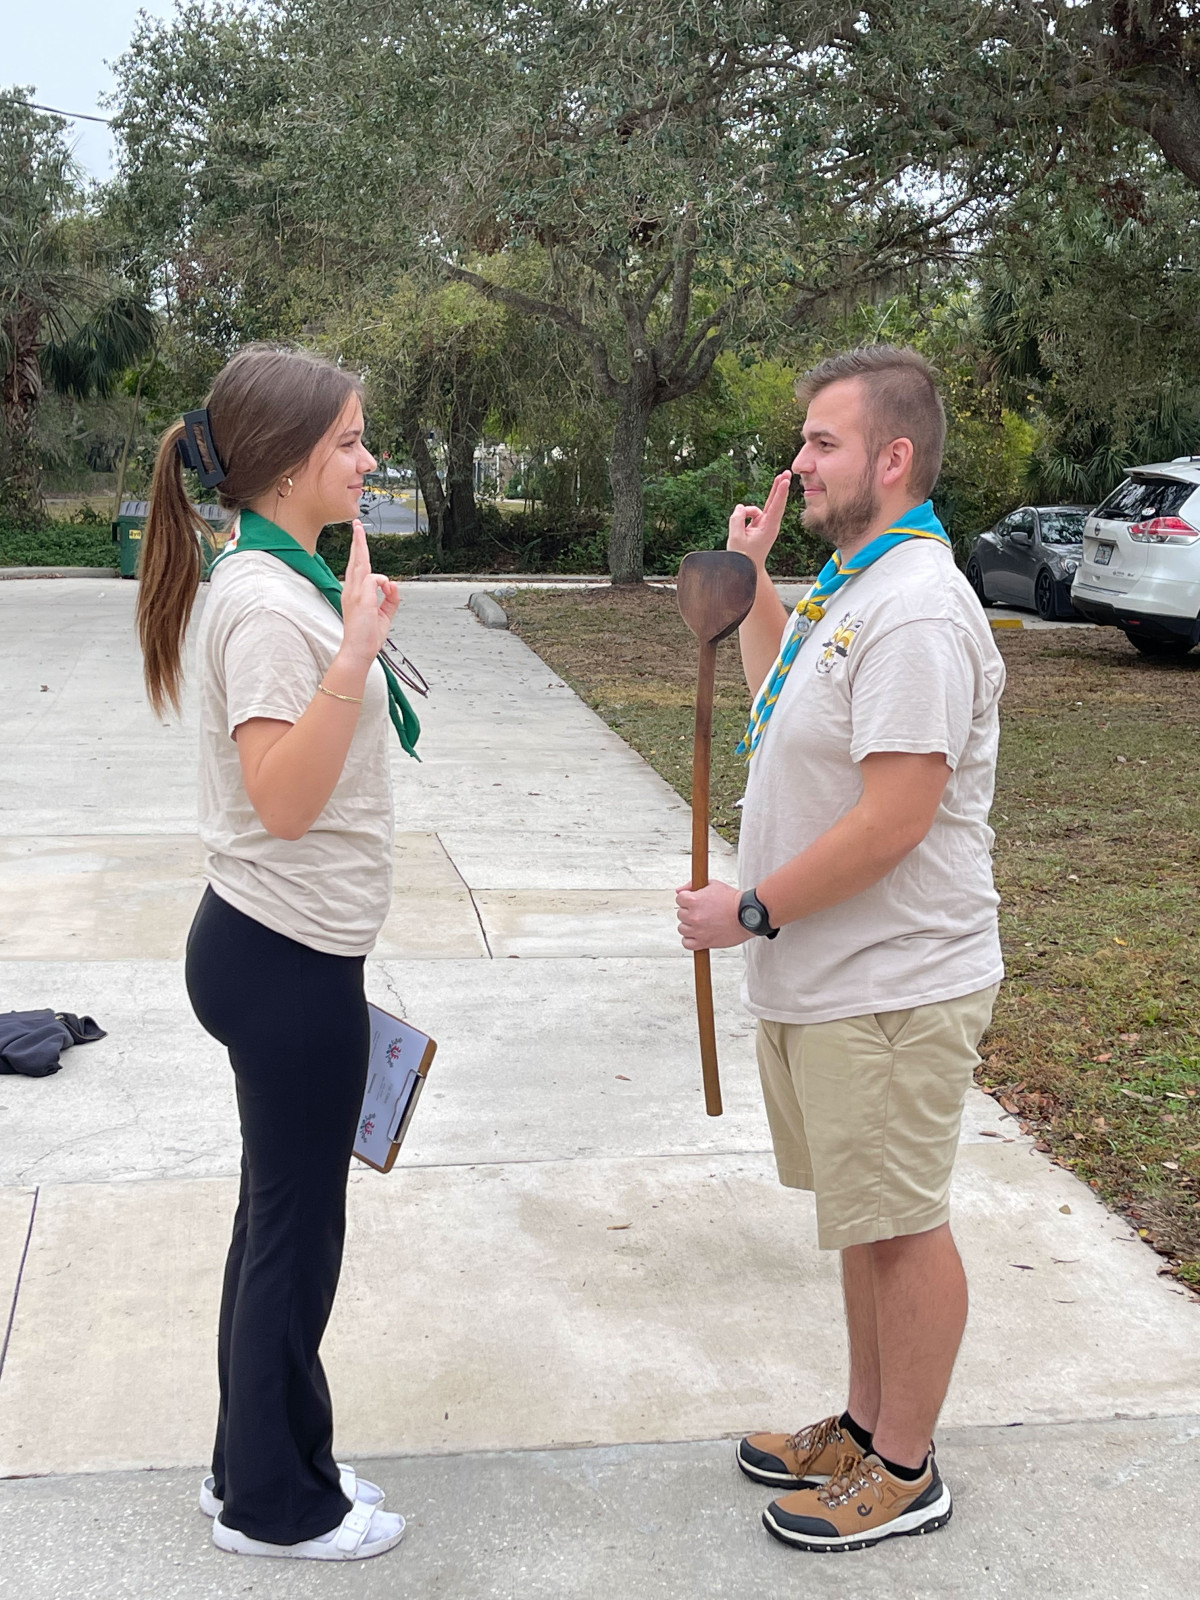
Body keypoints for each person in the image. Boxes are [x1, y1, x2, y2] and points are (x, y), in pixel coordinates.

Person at [676, 345, 1005, 1553]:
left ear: (893, 457)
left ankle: (905, 1468)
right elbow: (783, 699)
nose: (799, 462)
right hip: (835, 981)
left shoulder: (915, 607)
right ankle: (865, 1425)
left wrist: (754, 908)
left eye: (823, 442)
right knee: (866, 1216)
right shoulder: (851, 586)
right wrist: (758, 575)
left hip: (893, 982)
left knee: (902, 1221)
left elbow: (895, 818)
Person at [136, 344, 417, 1561]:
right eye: (350, 440)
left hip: (281, 946)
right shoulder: (263, 604)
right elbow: (285, 797)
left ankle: (253, 1460)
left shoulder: (275, 578)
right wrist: (352, 652)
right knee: (295, 1238)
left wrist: (349, 631)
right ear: (291, 460)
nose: (367, 459)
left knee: (274, 1225)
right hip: (282, 955)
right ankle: (275, 1506)